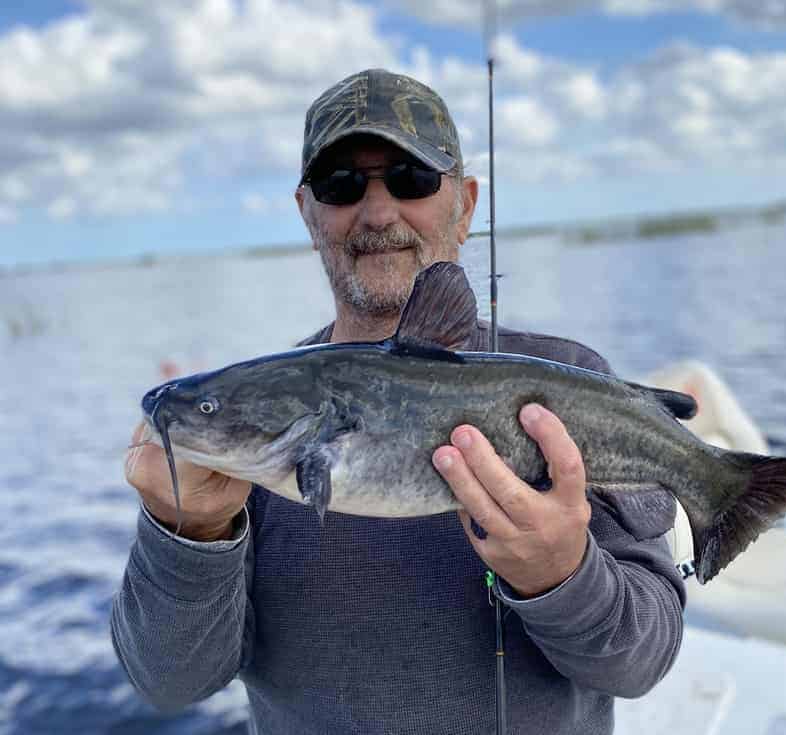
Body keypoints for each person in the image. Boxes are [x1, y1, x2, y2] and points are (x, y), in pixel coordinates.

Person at [112, 68, 685, 735]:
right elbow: (169, 680)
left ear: (465, 205)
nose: (378, 212)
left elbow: (642, 662)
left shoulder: (569, 381)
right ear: (307, 212)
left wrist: (563, 575)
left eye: (411, 179)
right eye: (342, 185)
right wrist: (188, 535)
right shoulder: (245, 442)